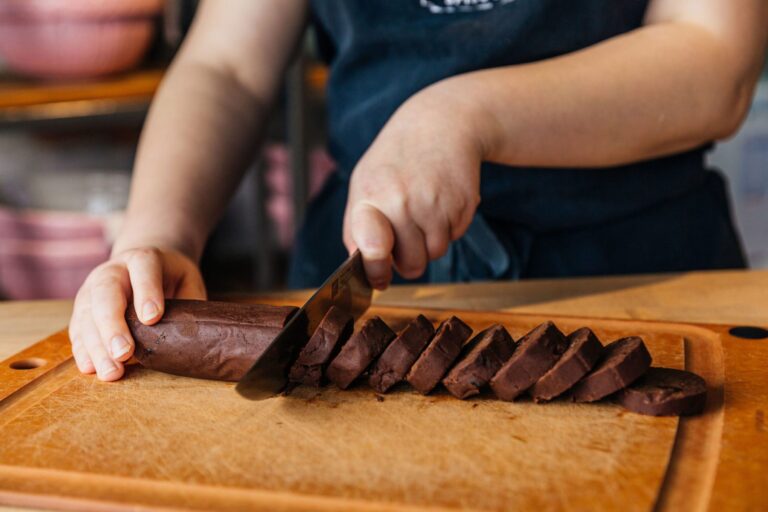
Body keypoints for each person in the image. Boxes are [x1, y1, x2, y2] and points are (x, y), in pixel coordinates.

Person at [68, 0, 768, 381]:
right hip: (365, 277)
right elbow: (225, 67)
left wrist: (464, 116)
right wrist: (157, 233)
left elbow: (715, 57)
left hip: (636, 267)